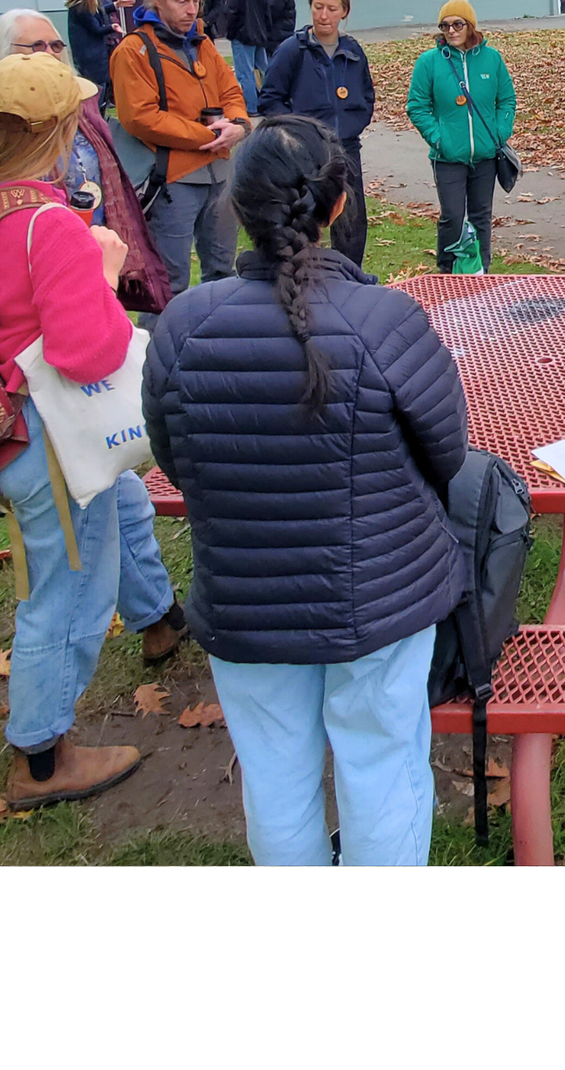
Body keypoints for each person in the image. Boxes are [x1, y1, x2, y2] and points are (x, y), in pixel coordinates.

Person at [145, 116, 469, 865]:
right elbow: (447, 452)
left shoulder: (183, 327)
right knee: (381, 766)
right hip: (379, 595)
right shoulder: (385, 321)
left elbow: (176, 458)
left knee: (275, 780)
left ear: (236, 205)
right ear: (338, 203)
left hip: (244, 598)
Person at [0, 52, 179, 810]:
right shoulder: (49, 222)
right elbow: (88, 352)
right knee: (66, 591)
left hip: (18, 422)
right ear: (63, 129)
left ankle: (161, 619)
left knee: (124, 508)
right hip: (53, 435)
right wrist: (105, 272)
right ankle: (41, 754)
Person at [0, 9, 171, 321]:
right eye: (36, 46)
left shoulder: (81, 107)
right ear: (3, 53)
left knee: (100, 320)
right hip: (31, 263)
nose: (49, 53)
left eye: (55, 45)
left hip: (93, 250)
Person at [108, 0, 249, 306]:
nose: (191, 10)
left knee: (223, 274)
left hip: (219, 174)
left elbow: (232, 92)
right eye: (181, 1)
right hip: (172, 181)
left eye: (196, 1)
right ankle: (165, 341)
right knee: (168, 283)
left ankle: (218, 335)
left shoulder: (203, 45)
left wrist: (238, 124)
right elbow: (140, 117)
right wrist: (208, 136)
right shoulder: (133, 51)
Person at [260, 0, 374, 265]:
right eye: (318, 7)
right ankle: (303, 274)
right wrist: (298, 132)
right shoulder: (292, 50)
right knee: (306, 220)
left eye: (332, 9)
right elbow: (270, 100)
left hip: (346, 150)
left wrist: (354, 124)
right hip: (306, 153)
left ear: (344, 12)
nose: (324, 15)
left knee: (351, 221)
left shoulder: (353, 51)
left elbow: (366, 94)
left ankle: (349, 276)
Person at [406, 0, 516, 273]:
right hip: (448, 156)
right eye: (445, 25)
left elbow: (507, 100)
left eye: (457, 24)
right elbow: (417, 106)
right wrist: (438, 138)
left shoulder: (492, 59)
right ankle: (447, 271)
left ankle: (480, 271)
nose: (451, 31)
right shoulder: (429, 62)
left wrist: (499, 133)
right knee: (452, 217)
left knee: (481, 216)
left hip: (485, 155)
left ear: (470, 26)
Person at [64, 0, 128, 96]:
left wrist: (115, 5)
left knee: (100, 87)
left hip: (93, 56)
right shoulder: (81, 8)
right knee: (96, 91)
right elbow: (96, 29)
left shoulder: (85, 5)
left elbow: (98, 13)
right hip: (90, 57)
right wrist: (112, 27)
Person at [217, 0, 273, 94]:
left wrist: (230, 33)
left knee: (245, 74)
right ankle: (269, 98)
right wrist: (266, 33)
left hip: (242, 37)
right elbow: (267, 14)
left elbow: (230, 13)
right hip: (259, 36)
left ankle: (251, 104)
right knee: (264, 71)